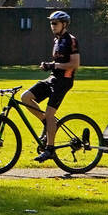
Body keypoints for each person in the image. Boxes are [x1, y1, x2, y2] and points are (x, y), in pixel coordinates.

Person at [21, 10, 80, 162]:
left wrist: (53, 65)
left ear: (64, 24)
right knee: (26, 97)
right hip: (53, 79)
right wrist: (48, 66)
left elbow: (75, 64)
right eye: (51, 23)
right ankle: (47, 123)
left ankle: (50, 149)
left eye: (55, 23)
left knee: (50, 113)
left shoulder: (70, 40)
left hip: (64, 81)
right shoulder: (56, 41)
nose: (52, 26)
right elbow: (58, 64)